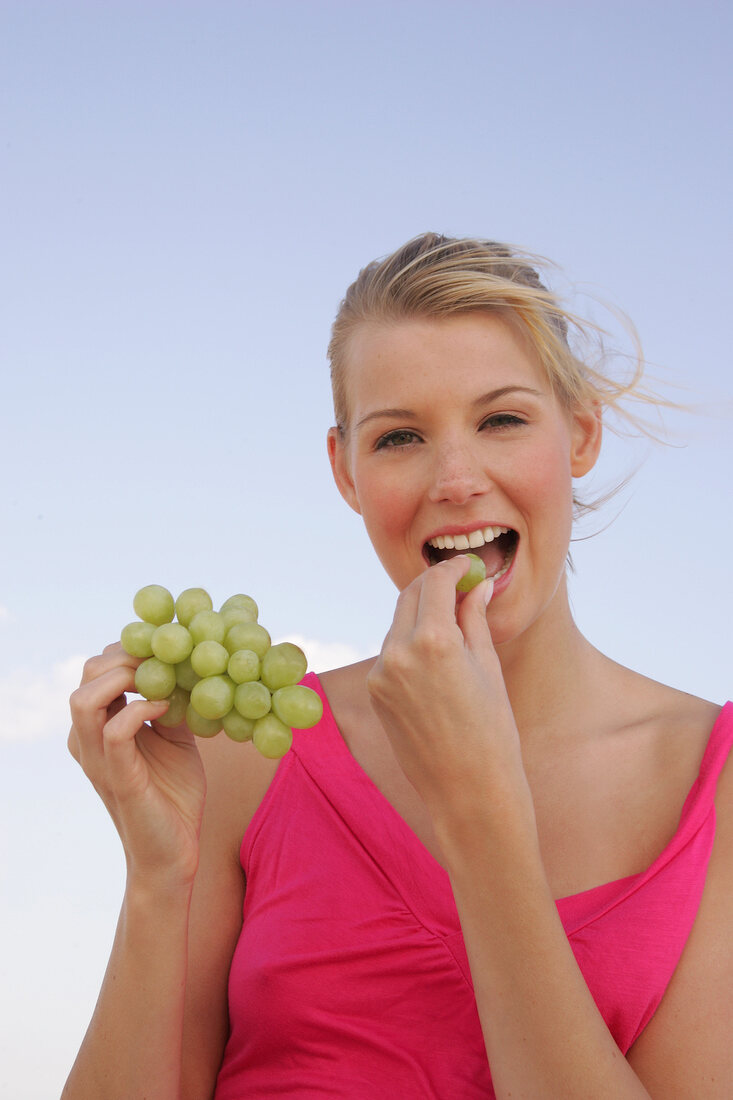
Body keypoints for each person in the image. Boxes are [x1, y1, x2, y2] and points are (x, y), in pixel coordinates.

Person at [63, 233, 733, 1099]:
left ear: (580, 435)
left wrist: (479, 815)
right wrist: (158, 883)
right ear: (345, 470)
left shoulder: (708, 785)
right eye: (399, 437)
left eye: (501, 420)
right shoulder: (251, 753)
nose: (455, 479)